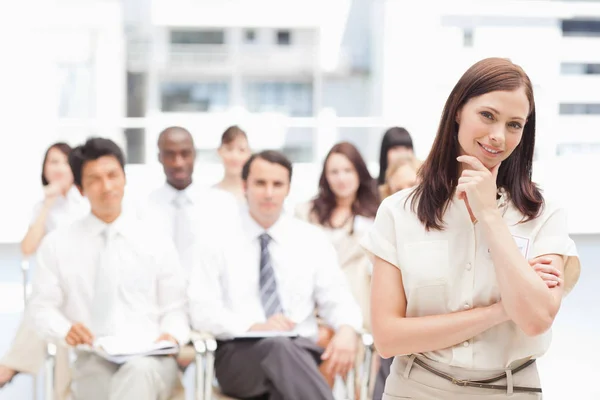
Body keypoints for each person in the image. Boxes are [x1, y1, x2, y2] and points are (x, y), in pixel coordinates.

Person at [362, 58, 581, 399]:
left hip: (512, 390)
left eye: (514, 125)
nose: (498, 136)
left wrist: (490, 216)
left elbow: (537, 319)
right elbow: (388, 337)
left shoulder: (545, 214)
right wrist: (500, 311)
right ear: (458, 111)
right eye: (488, 115)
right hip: (415, 389)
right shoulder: (398, 211)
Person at [188, 150, 363, 400]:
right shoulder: (216, 239)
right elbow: (201, 310)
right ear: (244, 185)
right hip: (239, 355)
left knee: (286, 363)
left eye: (277, 184)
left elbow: (338, 298)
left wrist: (347, 329)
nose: (269, 193)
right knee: (277, 346)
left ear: (288, 189)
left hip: (301, 353)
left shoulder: (311, 239)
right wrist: (254, 327)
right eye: (260, 183)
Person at [28, 138, 189, 400]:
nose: (107, 187)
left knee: (139, 372)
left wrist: (172, 334)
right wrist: (64, 329)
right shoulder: (57, 245)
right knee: (100, 383)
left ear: (124, 177)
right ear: (80, 189)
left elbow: (176, 309)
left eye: (113, 175)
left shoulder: (156, 241)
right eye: (94, 179)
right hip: (93, 357)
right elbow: (41, 308)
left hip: (152, 358)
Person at [0, 142, 88, 396]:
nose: (59, 167)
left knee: (45, 315)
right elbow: (27, 248)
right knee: (53, 328)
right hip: (55, 294)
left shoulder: (85, 203)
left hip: (80, 291)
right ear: (44, 169)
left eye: (64, 161)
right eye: (52, 161)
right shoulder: (42, 207)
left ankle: (9, 366)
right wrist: (48, 203)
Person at [295, 142, 379, 333]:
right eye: (334, 172)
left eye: (348, 170)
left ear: (359, 172)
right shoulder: (306, 213)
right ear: (325, 176)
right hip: (314, 309)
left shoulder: (376, 215)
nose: (341, 178)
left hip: (360, 309)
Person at [145, 126, 239, 272]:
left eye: (185, 154)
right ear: (159, 157)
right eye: (170, 154)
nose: (178, 163)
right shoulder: (143, 209)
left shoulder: (222, 205)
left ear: (195, 155)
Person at [214, 125, 251, 202]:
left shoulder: (255, 195)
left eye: (241, 150)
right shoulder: (208, 195)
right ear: (219, 151)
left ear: (249, 153)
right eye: (229, 149)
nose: (235, 156)